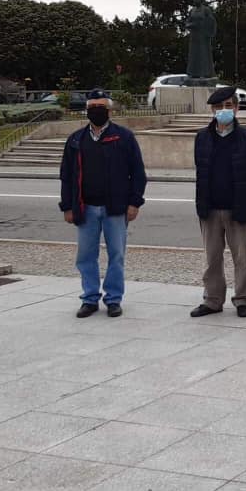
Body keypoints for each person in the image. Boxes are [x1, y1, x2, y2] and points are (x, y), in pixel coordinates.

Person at [59, 88, 146, 318]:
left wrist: (135, 203)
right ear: (86, 110)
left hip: (115, 208)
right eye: (92, 108)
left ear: (109, 110)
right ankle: (89, 298)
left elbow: (138, 172)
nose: (96, 111)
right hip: (85, 207)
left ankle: (114, 298)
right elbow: (66, 175)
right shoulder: (76, 139)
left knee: (116, 255)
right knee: (86, 256)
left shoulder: (124, 137)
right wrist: (67, 206)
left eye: (100, 107)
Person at [190, 86, 246, 318]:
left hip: (239, 207)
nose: (224, 110)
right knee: (212, 257)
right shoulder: (202, 137)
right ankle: (212, 300)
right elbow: (199, 168)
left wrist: (243, 191)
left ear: (236, 108)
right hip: (209, 207)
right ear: (213, 110)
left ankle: (242, 299)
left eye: (228, 106)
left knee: (241, 257)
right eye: (219, 107)